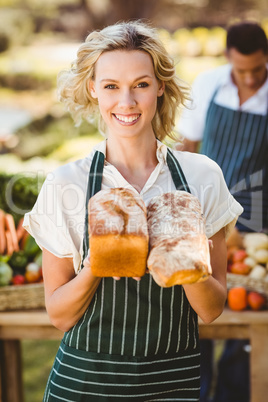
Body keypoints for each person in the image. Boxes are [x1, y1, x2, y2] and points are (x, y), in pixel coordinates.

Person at [23, 21, 242, 401]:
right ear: (93, 89)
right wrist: (98, 262)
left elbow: (212, 309)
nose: (126, 102)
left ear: (159, 86)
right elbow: (58, 315)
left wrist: (185, 263)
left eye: (140, 84)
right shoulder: (66, 184)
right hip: (83, 384)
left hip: (171, 384)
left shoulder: (202, 176)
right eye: (111, 86)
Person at [176, 21, 268, 402]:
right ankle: (195, 391)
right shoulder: (210, 83)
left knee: (243, 306)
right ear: (228, 58)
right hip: (206, 207)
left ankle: (231, 393)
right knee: (197, 304)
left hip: (257, 214)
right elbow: (187, 145)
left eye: (257, 70)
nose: (248, 78)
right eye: (241, 69)